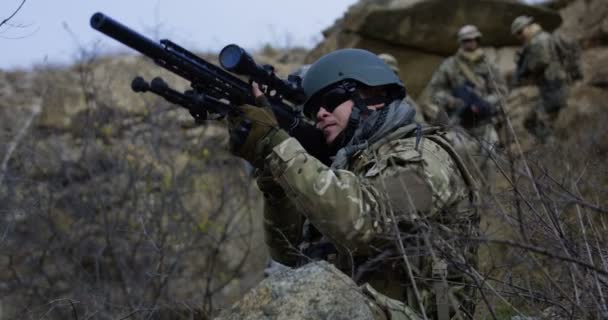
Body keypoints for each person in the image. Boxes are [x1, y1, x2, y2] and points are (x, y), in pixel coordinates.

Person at [226, 48, 479, 319]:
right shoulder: (346, 168)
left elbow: (363, 224)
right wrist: (273, 179)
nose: (321, 114)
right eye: (313, 110)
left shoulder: (424, 156)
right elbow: (288, 252)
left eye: (331, 100)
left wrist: (280, 149)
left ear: (374, 96)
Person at [428, 25, 507, 185]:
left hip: (485, 122)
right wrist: (452, 101)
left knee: (491, 161)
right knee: (460, 159)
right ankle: (469, 195)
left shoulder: (489, 65)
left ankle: (489, 200)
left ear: (478, 40)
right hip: (461, 124)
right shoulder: (450, 65)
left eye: (473, 40)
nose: (470, 43)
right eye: (466, 40)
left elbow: (501, 91)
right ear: (461, 42)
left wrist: (485, 103)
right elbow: (435, 91)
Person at [511, 15, 569, 142]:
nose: (520, 36)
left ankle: (554, 151)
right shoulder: (540, 38)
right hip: (551, 87)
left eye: (520, 32)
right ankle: (552, 147)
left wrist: (527, 69)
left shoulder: (538, 41)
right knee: (532, 121)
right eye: (517, 34)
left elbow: (542, 61)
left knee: (541, 123)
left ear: (528, 27)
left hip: (554, 87)